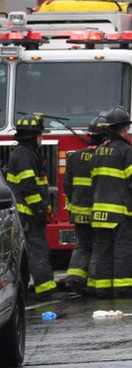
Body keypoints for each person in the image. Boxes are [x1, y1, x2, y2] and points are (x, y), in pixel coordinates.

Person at [91, 106, 132, 298]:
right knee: (123, 250)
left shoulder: (99, 151)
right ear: (124, 129)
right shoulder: (125, 151)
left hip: (99, 213)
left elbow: (94, 181)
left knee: (103, 251)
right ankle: (123, 289)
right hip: (121, 214)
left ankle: (103, 289)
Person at [7, 113, 57, 298]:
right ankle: (46, 290)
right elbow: (29, 187)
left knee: (28, 253)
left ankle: (26, 290)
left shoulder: (25, 154)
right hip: (28, 215)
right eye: (39, 135)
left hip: (26, 214)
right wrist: (39, 209)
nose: (41, 139)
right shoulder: (24, 156)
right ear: (32, 136)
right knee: (38, 251)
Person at [63, 114, 109, 295]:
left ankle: (74, 278)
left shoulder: (75, 157)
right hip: (97, 212)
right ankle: (92, 281)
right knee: (98, 245)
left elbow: (67, 185)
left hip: (78, 211)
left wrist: (71, 205)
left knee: (82, 245)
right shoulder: (104, 157)